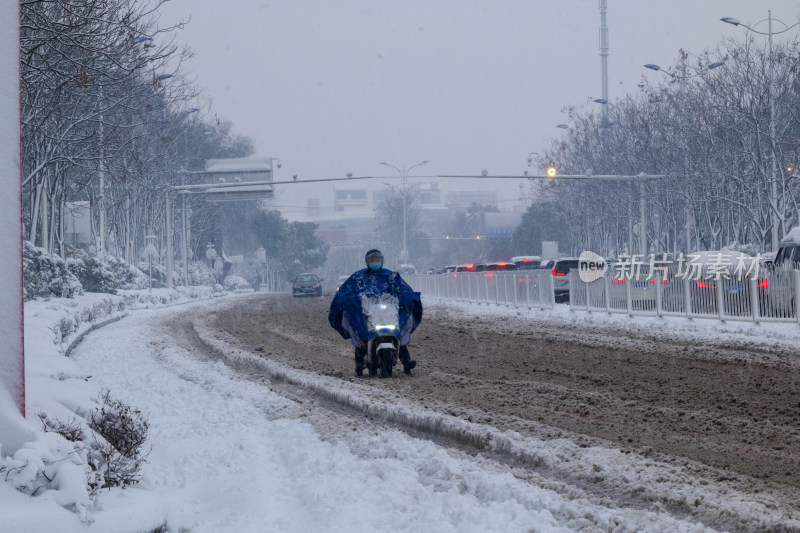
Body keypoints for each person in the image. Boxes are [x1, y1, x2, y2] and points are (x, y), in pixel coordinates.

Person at [328, 249, 422, 376]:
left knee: (398, 334)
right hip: (368, 314)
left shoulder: (390, 276)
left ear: (382, 261)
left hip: (388, 313)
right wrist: (354, 302)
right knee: (361, 339)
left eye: (377, 259)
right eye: (372, 260)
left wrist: (407, 298)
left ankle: (407, 362)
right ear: (367, 262)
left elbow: (402, 290)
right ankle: (360, 364)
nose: (375, 262)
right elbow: (348, 292)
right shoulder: (358, 277)